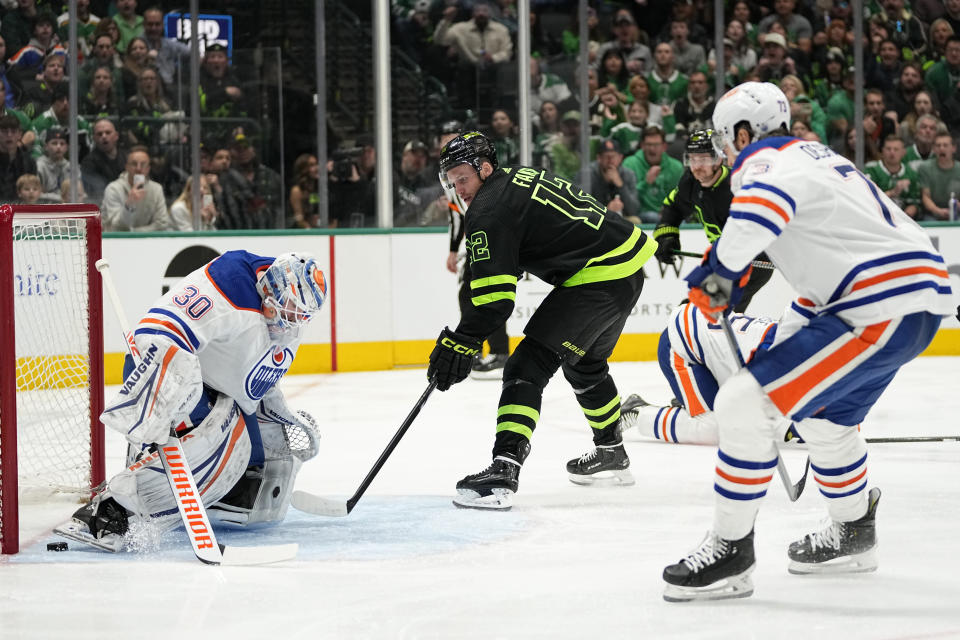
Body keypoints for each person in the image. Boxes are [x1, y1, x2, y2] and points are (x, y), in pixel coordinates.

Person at [662, 82, 955, 602]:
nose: (728, 154)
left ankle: (731, 550)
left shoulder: (765, 162)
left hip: (875, 307)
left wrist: (715, 278)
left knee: (743, 401)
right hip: (912, 302)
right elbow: (829, 257)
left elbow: (757, 213)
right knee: (825, 418)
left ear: (746, 133)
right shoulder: (818, 158)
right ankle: (853, 531)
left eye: (729, 141)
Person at [427, 131, 658, 510]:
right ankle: (612, 451)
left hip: (599, 275)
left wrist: (461, 341)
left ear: (484, 168)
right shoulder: (513, 181)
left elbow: (494, 305)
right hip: (627, 269)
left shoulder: (486, 210)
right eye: (452, 182)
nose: (459, 189)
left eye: (463, 178)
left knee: (526, 365)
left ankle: (504, 471)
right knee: (585, 363)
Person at [55, 251, 326, 552]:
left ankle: (212, 497)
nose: (288, 320)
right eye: (287, 308)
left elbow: (251, 379)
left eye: (299, 314)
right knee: (222, 449)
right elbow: (157, 332)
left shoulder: (287, 323)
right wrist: (167, 384)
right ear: (271, 286)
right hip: (163, 373)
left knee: (264, 473)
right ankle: (109, 510)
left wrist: (281, 414)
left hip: (211, 386)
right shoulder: (232, 284)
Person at [619, 302, 780, 446]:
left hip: (704, 343)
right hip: (682, 346)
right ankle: (638, 411)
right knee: (714, 427)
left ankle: (693, 401)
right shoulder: (779, 357)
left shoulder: (791, 339)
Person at [653, 128, 772, 310]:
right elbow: (673, 207)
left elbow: (755, 234)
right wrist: (667, 236)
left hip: (754, 262)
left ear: (719, 158)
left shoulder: (737, 188)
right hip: (724, 259)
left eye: (703, 159)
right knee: (698, 317)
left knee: (702, 316)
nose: (696, 166)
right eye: (692, 159)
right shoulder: (690, 182)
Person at [622, 125, 684, 224]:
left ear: (664, 146)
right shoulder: (629, 164)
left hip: (668, 214)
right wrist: (646, 183)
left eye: (656, 145)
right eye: (648, 144)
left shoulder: (676, 167)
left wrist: (669, 210)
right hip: (640, 216)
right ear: (642, 145)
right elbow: (627, 200)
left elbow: (680, 198)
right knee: (653, 217)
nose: (652, 149)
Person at [101, 145, 170, 231]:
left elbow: (162, 224)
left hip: (147, 241)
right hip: (117, 242)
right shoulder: (113, 189)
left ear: (148, 168)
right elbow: (117, 227)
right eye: (134, 164)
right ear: (126, 167)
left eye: (143, 164)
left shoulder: (156, 189)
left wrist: (135, 232)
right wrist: (129, 205)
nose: (138, 168)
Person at [575, 138, 639, 224]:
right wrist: (606, 210)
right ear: (599, 158)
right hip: (595, 220)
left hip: (621, 219)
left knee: (636, 220)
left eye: (613, 156)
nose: (610, 161)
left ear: (620, 158)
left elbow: (634, 210)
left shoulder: (628, 174)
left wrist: (620, 185)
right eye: (606, 156)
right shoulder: (587, 175)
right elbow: (580, 208)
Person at [865, 134, 921, 219]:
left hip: (904, 221)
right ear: (882, 151)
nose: (892, 152)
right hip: (876, 218)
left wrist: (906, 216)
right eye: (888, 149)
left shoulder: (911, 173)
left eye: (896, 149)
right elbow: (867, 200)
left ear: (903, 152)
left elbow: (915, 203)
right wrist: (892, 193)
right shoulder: (872, 171)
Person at [81, 117, 125, 204]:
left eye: (108, 133)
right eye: (99, 134)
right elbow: (98, 191)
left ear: (116, 136)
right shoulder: (88, 162)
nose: (104, 136)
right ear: (94, 138)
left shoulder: (127, 157)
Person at [917, 131, 960, 220]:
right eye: (938, 145)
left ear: (953, 148)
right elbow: (925, 196)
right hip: (932, 213)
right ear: (934, 149)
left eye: (945, 145)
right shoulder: (925, 168)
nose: (941, 148)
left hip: (957, 212)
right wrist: (938, 211)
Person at [0, 114, 37, 200]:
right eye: (4, 131)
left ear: (20, 134)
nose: (9, 135)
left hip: (22, 210)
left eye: (13, 131)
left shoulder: (29, 162)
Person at [35, 126, 69, 201]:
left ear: (66, 147)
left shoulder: (71, 167)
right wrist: (60, 198)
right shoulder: (39, 166)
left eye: (62, 143)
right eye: (54, 143)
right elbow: (35, 193)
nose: (58, 147)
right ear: (46, 146)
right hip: (45, 207)